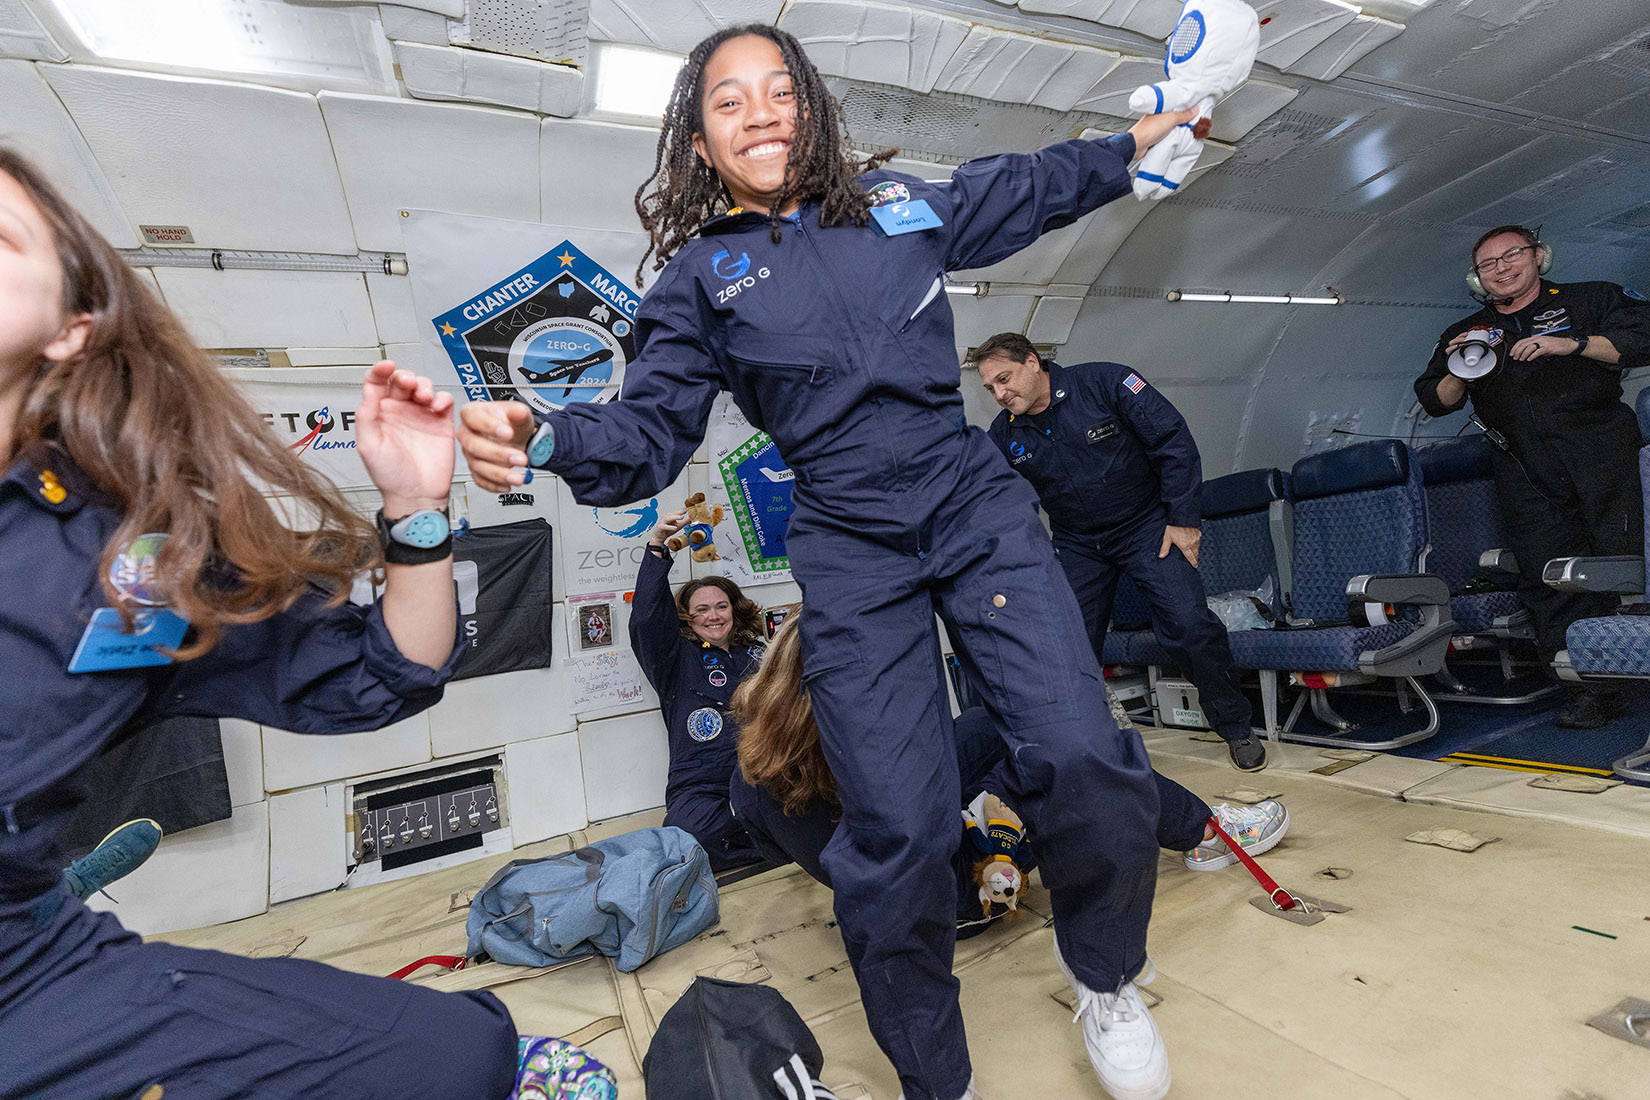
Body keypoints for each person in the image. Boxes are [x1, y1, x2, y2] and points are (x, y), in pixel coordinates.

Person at [458, 23, 1205, 1100]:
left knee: (1082, 752)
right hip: (851, 541)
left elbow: (1023, 185)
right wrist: (547, 434)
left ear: (808, 106)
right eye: (729, 101)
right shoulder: (702, 276)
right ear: (699, 141)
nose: (760, 113)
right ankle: (932, 1076)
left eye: (778, 91)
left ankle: (1105, 973)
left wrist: (1135, 141)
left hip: (970, 505)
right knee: (897, 827)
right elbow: (647, 435)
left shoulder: (897, 205)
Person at [0, 149, 528, 1100]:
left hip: (18, 977)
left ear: (72, 329)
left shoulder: (125, 553)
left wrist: (414, 510)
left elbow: (382, 673)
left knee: (453, 1055)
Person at [728, 612, 1290, 926]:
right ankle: (1205, 830)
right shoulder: (880, 752)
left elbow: (780, 852)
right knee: (1055, 754)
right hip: (959, 894)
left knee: (990, 727)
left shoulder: (750, 774)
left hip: (877, 900)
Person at [976, 333, 1268, 773]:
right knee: (1065, 644)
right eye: (990, 389)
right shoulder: (1004, 435)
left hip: (1146, 526)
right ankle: (1085, 748)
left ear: (1033, 363)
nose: (1000, 394)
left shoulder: (1108, 384)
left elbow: (1172, 440)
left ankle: (1235, 725)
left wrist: (1184, 519)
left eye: (1004, 378)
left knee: (1187, 626)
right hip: (1077, 543)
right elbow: (1001, 503)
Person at [1414, 226, 1650, 729]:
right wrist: (1465, 363)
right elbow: (1437, 400)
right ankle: (1588, 683)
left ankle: (1635, 665)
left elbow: (1642, 340)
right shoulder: (1468, 330)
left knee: (1621, 558)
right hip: (1522, 465)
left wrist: (1574, 345)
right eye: (1488, 265)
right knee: (1548, 574)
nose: (1501, 268)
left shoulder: (1591, 299)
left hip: (1600, 450)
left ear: (1539, 256)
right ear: (1477, 279)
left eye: (1512, 255)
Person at [630, 508, 766, 870]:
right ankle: (769, 838)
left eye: (721, 606)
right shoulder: (674, 658)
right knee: (686, 835)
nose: (714, 615)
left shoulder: (758, 652)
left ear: (734, 611)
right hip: (703, 785)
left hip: (763, 772)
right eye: (702, 609)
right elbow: (646, 619)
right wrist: (658, 546)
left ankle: (765, 831)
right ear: (688, 617)